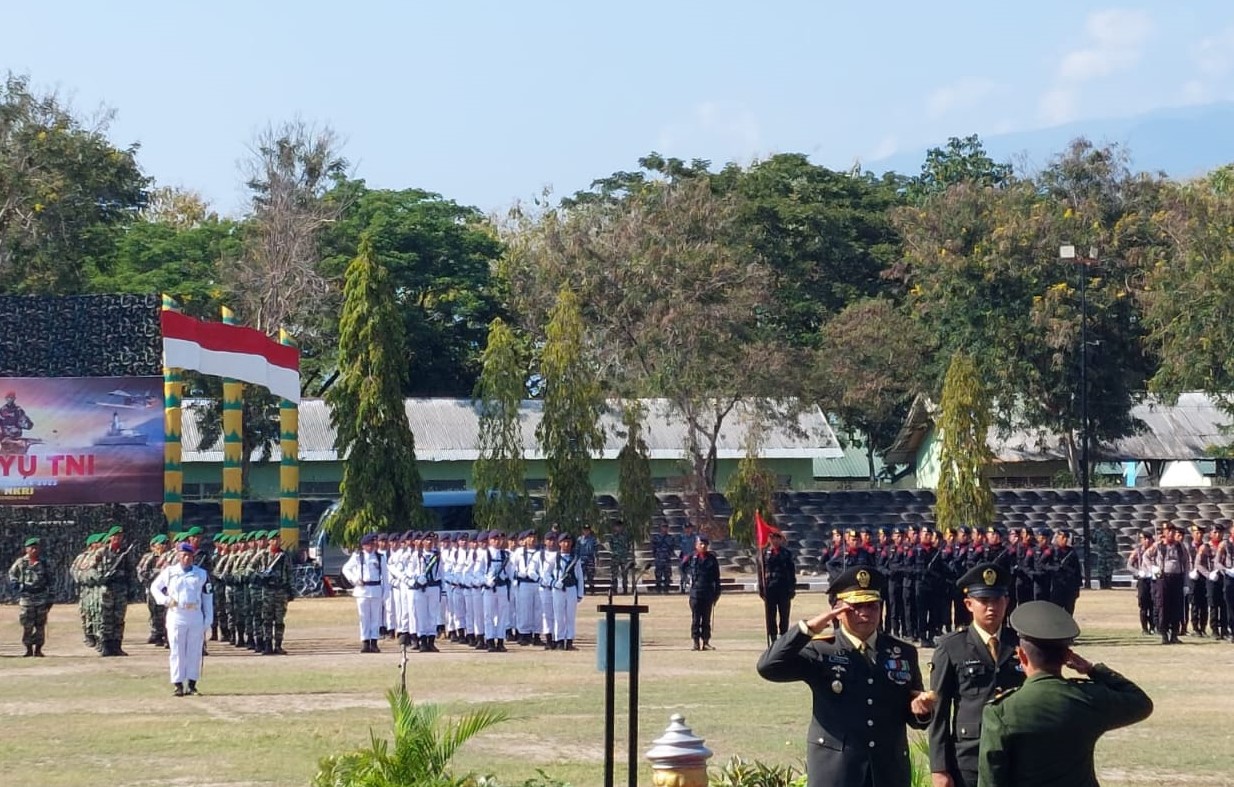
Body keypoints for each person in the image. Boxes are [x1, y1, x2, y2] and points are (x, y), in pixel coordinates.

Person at [757, 566, 930, 787]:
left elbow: (914, 714)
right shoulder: (821, 650)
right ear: (837, 610)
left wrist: (921, 712)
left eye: (872, 606)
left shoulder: (902, 652)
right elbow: (768, 667)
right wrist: (809, 628)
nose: (865, 613)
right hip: (837, 770)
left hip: (888, 771)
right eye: (855, 607)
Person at [977, 600, 1153, 787]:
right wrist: (1092, 670)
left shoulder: (1002, 711)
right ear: (1067, 656)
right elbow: (1141, 703)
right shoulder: (1088, 698)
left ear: (1022, 656)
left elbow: (991, 780)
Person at [924, 563, 1025, 787]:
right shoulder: (951, 647)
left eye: (997, 600)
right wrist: (939, 768)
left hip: (1016, 754)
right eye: (984, 601)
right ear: (969, 604)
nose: (992, 607)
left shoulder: (1020, 644)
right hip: (968, 757)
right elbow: (938, 711)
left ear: (1007, 602)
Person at [149, 542, 215, 696]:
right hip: (177, 613)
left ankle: (192, 684)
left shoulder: (201, 574)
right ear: (178, 556)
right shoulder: (170, 572)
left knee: (194, 650)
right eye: (183, 555)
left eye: (189, 555)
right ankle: (178, 684)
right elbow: (154, 587)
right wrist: (165, 600)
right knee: (177, 650)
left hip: (195, 614)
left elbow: (207, 596)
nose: (186, 558)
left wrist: (208, 619)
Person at [342, 533, 389, 653]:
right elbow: (346, 568)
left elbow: (385, 576)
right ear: (364, 545)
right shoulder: (358, 556)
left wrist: (385, 592)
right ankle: (365, 642)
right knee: (364, 618)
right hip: (362, 590)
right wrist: (354, 579)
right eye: (369, 544)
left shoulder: (380, 557)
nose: (372, 546)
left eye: (373, 544)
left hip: (376, 588)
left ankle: (374, 641)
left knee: (375, 618)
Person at [8, 536, 54, 657]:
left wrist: (50, 598)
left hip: (41, 597)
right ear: (26, 549)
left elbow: (51, 581)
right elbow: (12, 576)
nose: (34, 550)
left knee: (40, 625)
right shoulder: (20, 563)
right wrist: (19, 587)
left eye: (36, 548)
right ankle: (28, 649)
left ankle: (38, 649)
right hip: (27, 598)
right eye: (31, 548)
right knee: (27, 624)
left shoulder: (44, 563)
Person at [760, 530, 797, 642]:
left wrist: (792, 588)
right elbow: (760, 572)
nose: (774, 540)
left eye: (777, 538)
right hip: (770, 588)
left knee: (784, 614)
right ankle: (773, 636)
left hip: (784, 587)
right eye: (772, 538)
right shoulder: (764, 554)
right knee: (770, 614)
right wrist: (762, 588)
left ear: (780, 540)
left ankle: (783, 636)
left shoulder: (786, 554)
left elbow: (791, 571)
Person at [686, 536, 721, 650]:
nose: (703, 546)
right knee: (696, 619)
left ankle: (706, 642)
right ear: (696, 545)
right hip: (695, 592)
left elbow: (717, 577)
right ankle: (696, 643)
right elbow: (682, 567)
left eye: (705, 544)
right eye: (701, 544)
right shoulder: (692, 557)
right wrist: (687, 579)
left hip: (708, 592)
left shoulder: (712, 559)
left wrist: (717, 593)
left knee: (706, 619)